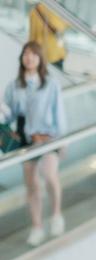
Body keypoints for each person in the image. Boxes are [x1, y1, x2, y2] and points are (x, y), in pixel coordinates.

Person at [0, 41, 66, 246]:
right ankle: (37, 226)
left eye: (33, 54)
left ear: (40, 59)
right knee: (31, 185)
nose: (29, 58)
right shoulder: (14, 86)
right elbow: (9, 114)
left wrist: (63, 139)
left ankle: (56, 215)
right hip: (26, 139)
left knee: (49, 174)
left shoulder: (50, 84)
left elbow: (59, 112)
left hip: (47, 137)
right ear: (21, 58)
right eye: (26, 54)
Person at [28, 3, 66, 70]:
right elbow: (61, 29)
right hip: (54, 55)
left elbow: (32, 36)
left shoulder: (35, 10)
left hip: (40, 54)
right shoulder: (58, 10)